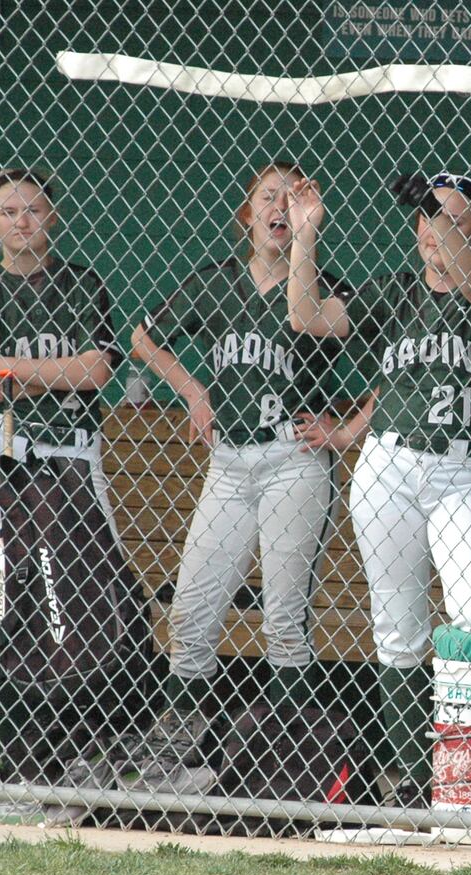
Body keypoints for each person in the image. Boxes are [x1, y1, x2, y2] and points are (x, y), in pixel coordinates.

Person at [284, 169, 471, 809]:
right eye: (429, 217)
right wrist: (306, 238)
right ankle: (416, 779)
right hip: (386, 466)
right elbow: (306, 316)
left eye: (455, 217)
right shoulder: (395, 292)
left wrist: (433, 210)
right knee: (397, 629)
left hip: (461, 469)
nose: (437, 229)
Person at [123, 161, 350, 795]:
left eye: (292, 198)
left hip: (292, 461)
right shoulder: (215, 283)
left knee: (283, 617)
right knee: (191, 613)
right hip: (227, 465)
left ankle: (289, 764)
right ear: (247, 216)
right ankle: (171, 758)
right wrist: (193, 389)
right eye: (267, 198)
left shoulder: (324, 286)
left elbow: (386, 356)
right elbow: (143, 337)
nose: (279, 206)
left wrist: (344, 428)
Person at [0, 167, 122, 823]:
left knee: (82, 613)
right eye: (9, 210)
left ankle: (72, 763)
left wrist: (17, 369)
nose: (22, 220)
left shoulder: (82, 282)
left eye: (33, 210)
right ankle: (16, 766)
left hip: (73, 453)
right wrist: (45, 375)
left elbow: (96, 372)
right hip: (4, 453)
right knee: (3, 608)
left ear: (52, 217)